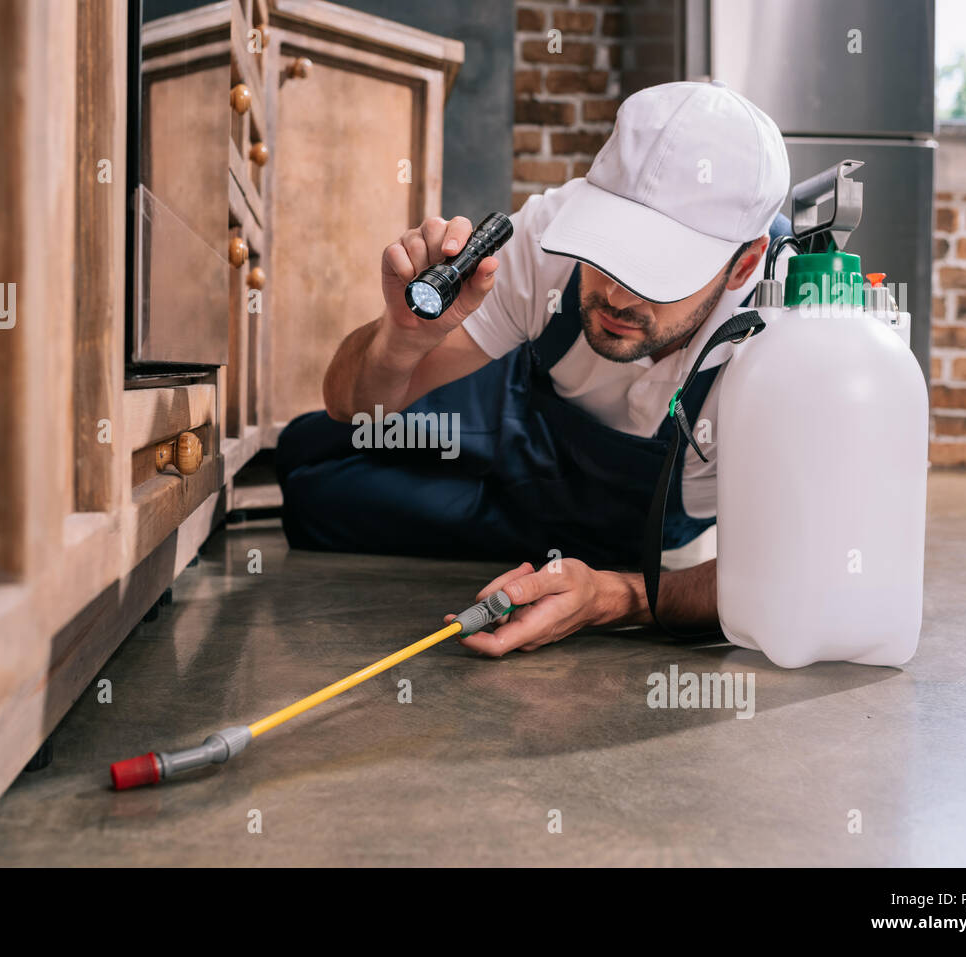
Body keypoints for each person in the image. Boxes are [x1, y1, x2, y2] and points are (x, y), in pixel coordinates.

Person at [275, 81, 791, 656]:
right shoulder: (548, 231)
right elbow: (350, 405)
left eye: (657, 272)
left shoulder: (788, 351)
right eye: (607, 250)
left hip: (611, 523)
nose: (618, 294)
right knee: (305, 443)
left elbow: (790, 575)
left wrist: (616, 596)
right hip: (521, 407)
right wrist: (400, 340)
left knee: (316, 504)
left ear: (743, 265)